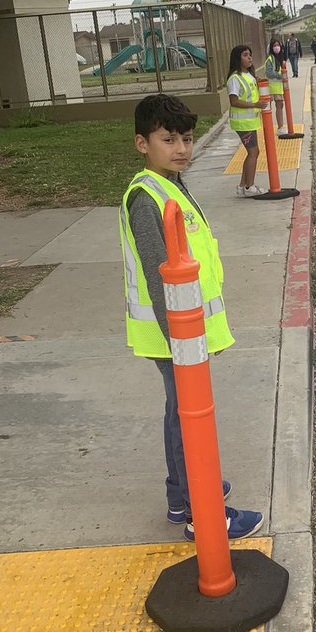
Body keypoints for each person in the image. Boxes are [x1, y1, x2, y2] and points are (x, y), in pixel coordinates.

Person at [119, 93, 263, 540]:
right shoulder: (148, 198)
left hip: (183, 331)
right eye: (169, 140)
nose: (182, 148)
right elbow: (160, 277)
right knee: (187, 418)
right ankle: (206, 516)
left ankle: (182, 499)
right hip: (174, 335)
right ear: (142, 143)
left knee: (177, 414)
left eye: (186, 138)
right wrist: (184, 344)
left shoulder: (171, 184)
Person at [227, 44, 265, 197]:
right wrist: (255, 105)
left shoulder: (249, 75)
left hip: (250, 121)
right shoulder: (235, 78)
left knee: (252, 152)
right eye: (245, 55)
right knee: (253, 152)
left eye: (250, 54)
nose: (249, 57)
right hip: (242, 122)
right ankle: (249, 187)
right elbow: (234, 101)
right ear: (237, 58)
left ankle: (243, 186)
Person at [262, 36, 286, 130]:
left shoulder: (279, 59)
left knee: (280, 106)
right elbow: (269, 73)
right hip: (270, 88)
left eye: (278, 45)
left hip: (278, 88)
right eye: (275, 45)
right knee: (268, 109)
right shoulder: (270, 59)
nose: (277, 47)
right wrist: (281, 76)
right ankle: (268, 128)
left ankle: (280, 127)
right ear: (271, 48)